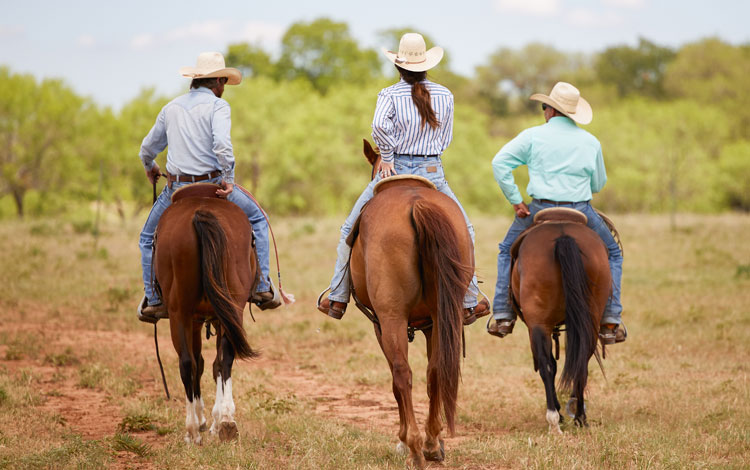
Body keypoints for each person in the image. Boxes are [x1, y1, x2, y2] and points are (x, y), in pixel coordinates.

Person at [316, 33, 489, 322]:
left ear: (398, 66)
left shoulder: (389, 95)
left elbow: (378, 127)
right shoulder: (446, 95)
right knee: (466, 231)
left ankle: (337, 297)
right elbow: (445, 139)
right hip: (433, 171)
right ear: (426, 65)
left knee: (349, 229)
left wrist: (388, 156)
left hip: (394, 171)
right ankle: (470, 300)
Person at [137, 51, 280, 322]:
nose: (223, 88)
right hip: (214, 184)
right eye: (223, 82)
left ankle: (153, 299)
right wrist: (229, 178)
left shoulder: (171, 108)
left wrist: (151, 167)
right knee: (260, 220)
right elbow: (222, 146)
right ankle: (262, 287)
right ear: (217, 83)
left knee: (147, 238)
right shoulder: (218, 106)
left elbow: (147, 148)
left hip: (177, 190)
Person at [489, 82, 625, 344]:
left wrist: (516, 201)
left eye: (544, 107)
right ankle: (610, 317)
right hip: (580, 209)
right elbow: (598, 184)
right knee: (614, 253)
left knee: (507, 249)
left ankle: (504, 313)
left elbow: (499, 163)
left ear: (550, 110)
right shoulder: (591, 142)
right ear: (573, 114)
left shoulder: (532, 136)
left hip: (540, 208)